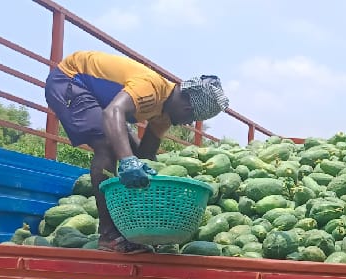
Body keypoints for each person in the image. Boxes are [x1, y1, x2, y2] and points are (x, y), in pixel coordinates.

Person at [45, 51, 230, 254]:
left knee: (129, 149)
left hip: (99, 98)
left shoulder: (164, 117)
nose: (187, 123)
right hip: (71, 79)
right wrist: (127, 161)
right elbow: (112, 113)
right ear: (186, 105)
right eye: (191, 117)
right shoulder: (150, 87)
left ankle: (126, 230)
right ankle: (108, 236)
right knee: (107, 144)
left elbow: (146, 155)